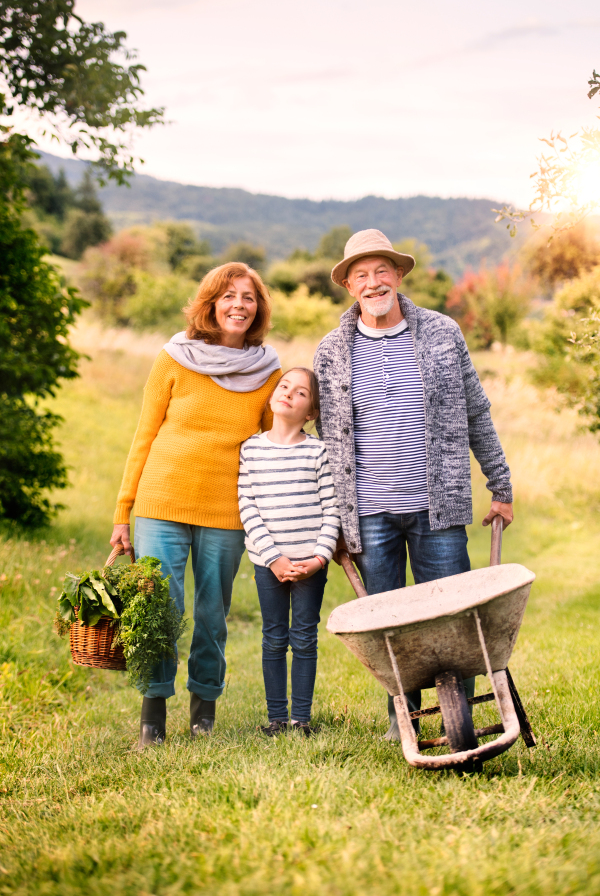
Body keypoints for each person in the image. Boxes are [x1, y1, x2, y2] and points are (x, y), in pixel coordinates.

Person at [313, 229, 513, 739]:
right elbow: (325, 441)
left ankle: (459, 719)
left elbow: (476, 410)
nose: (373, 282)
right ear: (349, 286)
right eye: (361, 275)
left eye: (382, 271)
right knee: (390, 626)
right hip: (370, 513)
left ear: (399, 276)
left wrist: (501, 486)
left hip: (437, 507)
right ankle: (403, 720)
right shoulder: (331, 351)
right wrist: (331, 521)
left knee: (455, 617)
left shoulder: (442, 332)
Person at [110, 262, 282, 747]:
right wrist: (123, 511)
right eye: (228, 296)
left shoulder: (270, 372)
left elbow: (275, 445)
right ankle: (152, 720)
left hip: (228, 509)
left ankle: (203, 712)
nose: (238, 306)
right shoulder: (173, 359)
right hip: (161, 501)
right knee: (158, 610)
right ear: (209, 304)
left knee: (212, 614)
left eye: (248, 297)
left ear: (259, 308)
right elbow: (143, 436)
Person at [238, 368, 340, 735]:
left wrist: (318, 558)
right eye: (284, 387)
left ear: (310, 412)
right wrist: (273, 558)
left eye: (300, 393)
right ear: (272, 395)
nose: (288, 394)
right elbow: (247, 507)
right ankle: (277, 718)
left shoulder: (318, 452)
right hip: (269, 563)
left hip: (310, 563)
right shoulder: (251, 449)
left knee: (304, 637)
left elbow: (332, 510)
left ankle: (301, 719)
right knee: (274, 636)